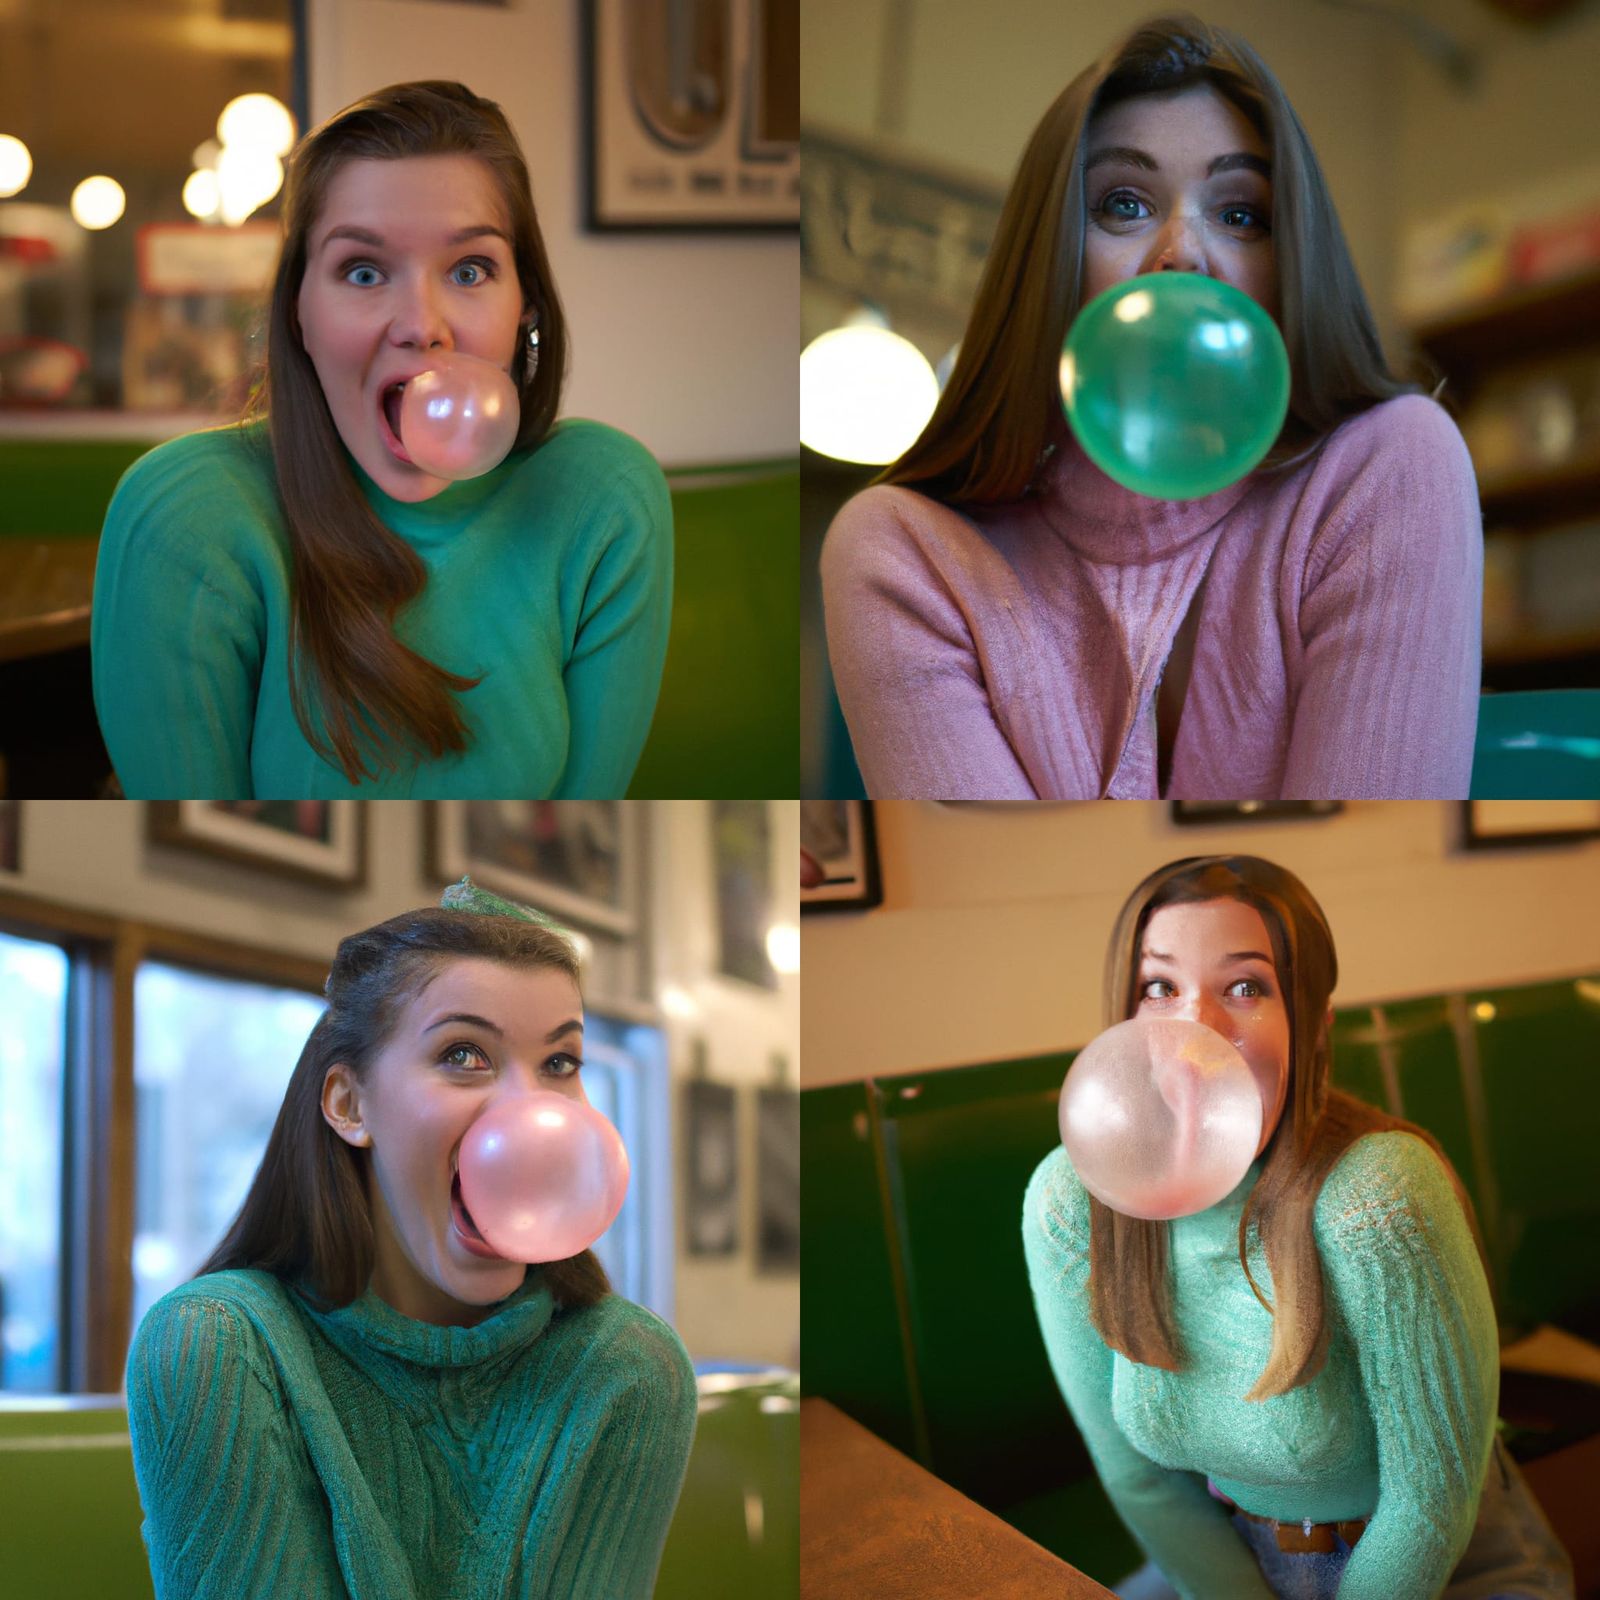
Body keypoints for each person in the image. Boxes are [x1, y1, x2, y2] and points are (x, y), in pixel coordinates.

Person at [821, 14, 1481, 801]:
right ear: (1052, 257)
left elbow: (1362, 870)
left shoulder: (1392, 464)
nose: (1184, 252)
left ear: (1291, 259)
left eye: (1241, 214)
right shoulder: (904, 551)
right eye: (1125, 204)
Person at [93, 81, 673, 799]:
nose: (420, 324)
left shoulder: (599, 496)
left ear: (526, 306)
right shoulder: (187, 516)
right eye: (363, 271)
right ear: (298, 313)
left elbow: (592, 813)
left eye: (470, 269)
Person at [123, 878, 697, 1599]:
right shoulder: (216, 1346)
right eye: (464, 1054)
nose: (529, 1114)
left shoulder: (628, 1369)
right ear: (348, 1103)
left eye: (560, 1063)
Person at [1021, 855, 1573, 1600]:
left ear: (1313, 1024)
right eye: (1160, 987)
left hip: (1440, 1566)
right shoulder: (1073, 1200)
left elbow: (1431, 1506)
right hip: (1226, 1559)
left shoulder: (1374, 1195)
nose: (1195, 1032)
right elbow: (1133, 1473)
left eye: (1245, 987)